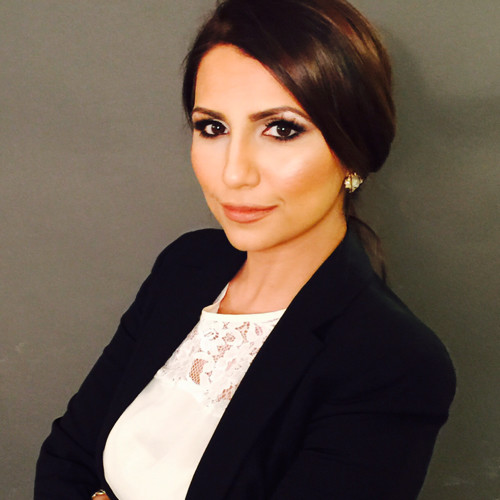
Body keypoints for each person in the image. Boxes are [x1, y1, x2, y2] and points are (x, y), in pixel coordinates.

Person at [35, 0, 456, 498]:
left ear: (353, 149)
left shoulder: (391, 361)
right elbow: (65, 458)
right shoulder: (186, 266)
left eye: (282, 129)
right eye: (212, 128)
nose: (233, 173)